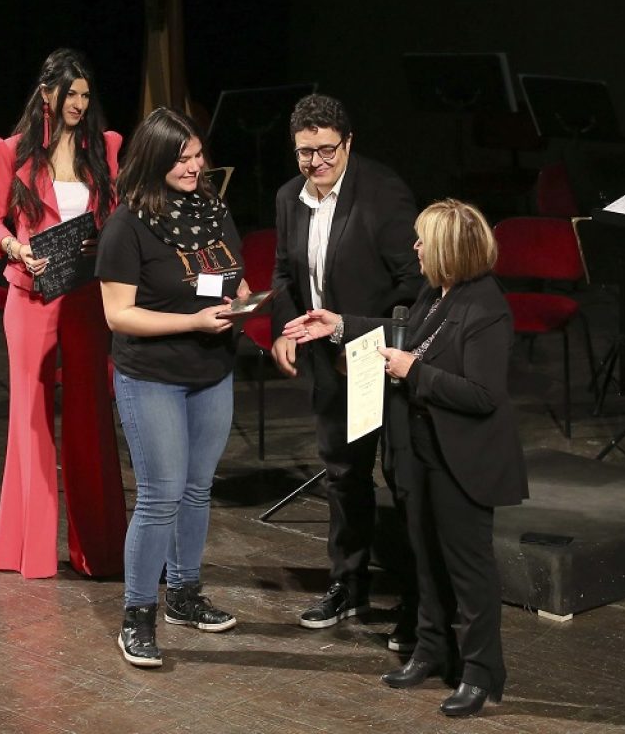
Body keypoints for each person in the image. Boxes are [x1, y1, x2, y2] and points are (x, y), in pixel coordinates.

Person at [283, 199, 528, 717]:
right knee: (424, 556)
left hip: (462, 459)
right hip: (419, 451)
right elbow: (402, 336)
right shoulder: (435, 295)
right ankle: (432, 649)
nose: (414, 248)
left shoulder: (485, 307)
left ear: (448, 249)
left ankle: (481, 673)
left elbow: (483, 394)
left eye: (423, 240)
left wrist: (414, 371)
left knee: (467, 568)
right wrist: (340, 325)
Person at [95, 107, 248, 668]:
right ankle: (138, 616)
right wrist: (191, 322)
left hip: (211, 370)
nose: (194, 166)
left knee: (197, 488)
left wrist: (244, 304)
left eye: (197, 155)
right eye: (181, 158)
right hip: (152, 376)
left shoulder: (212, 208)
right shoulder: (126, 226)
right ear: (155, 159)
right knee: (161, 493)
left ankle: (184, 595)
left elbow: (234, 273)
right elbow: (119, 315)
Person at [269, 93, 423, 640]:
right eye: (305, 153)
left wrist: (354, 328)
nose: (316, 163)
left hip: (380, 356)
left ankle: (416, 600)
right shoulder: (290, 197)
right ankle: (348, 583)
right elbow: (284, 278)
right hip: (328, 362)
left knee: (402, 479)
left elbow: (414, 284)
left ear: (348, 143)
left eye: (327, 151)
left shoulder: (382, 194)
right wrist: (285, 331)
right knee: (343, 476)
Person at [0, 48, 127, 580]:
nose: (80, 105)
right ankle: (29, 551)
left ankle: (99, 551)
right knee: (31, 419)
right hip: (32, 293)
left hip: (85, 296)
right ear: (47, 94)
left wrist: (102, 241)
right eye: (71, 94)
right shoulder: (11, 151)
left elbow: (115, 216)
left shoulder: (104, 149)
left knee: (90, 414)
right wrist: (15, 248)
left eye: (87, 95)